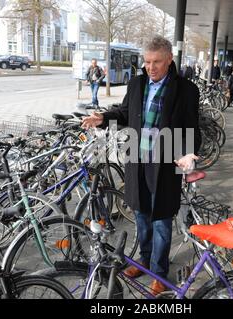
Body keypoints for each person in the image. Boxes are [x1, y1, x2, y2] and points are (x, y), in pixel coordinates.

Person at [81, 36, 201, 296]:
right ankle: (144, 261)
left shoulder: (187, 90)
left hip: (166, 166)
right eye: (147, 61)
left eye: (157, 62)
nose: (151, 67)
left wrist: (188, 154)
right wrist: (103, 118)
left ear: (169, 60)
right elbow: (125, 113)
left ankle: (159, 273)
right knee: (141, 217)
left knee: (160, 221)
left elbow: (192, 128)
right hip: (137, 162)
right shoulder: (136, 84)